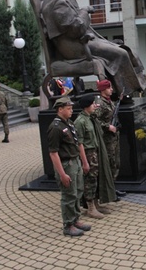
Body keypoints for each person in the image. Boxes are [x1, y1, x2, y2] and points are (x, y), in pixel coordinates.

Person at [40, 0, 146, 96]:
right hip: (74, 47)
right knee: (121, 53)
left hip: (79, 41)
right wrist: (84, 11)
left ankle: (124, 90)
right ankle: (124, 92)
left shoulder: (62, 0)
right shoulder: (58, 2)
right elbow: (76, 29)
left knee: (124, 49)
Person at [47, 96, 91, 237]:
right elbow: (53, 153)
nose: (71, 110)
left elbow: (78, 144)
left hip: (75, 162)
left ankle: (75, 219)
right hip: (67, 165)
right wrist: (62, 174)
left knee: (77, 192)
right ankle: (68, 225)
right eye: (68, 108)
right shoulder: (55, 128)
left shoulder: (69, 123)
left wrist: (84, 162)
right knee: (68, 195)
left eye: (71, 108)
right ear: (60, 109)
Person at [74, 94, 116, 220]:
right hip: (88, 153)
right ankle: (90, 207)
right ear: (87, 106)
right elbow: (79, 143)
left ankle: (96, 203)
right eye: (92, 104)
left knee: (96, 178)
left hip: (96, 152)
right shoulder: (80, 121)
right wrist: (85, 162)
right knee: (89, 181)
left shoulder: (91, 118)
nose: (95, 106)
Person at [93, 79, 125, 200]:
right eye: (109, 88)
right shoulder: (99, 103)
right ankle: (108, 192)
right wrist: (108, 126)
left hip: (113, 138)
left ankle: (113, 189)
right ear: (103, 90)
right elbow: (95, 119)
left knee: (116, 163)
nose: (111, 89)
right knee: (110, 165)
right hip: (107, 140)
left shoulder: (108, 101)